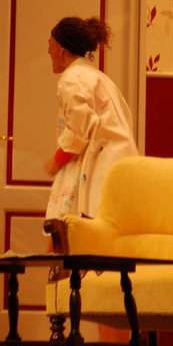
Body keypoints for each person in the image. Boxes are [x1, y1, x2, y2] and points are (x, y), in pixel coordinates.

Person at [43, 16, 138, 221]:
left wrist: (57, 160)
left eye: (50, 44)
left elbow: (79, 128)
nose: (48, 50)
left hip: (101, 169)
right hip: (123, 166)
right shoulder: (100, 78)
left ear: (61, 48)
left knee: (76, 227)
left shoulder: (72, 79)